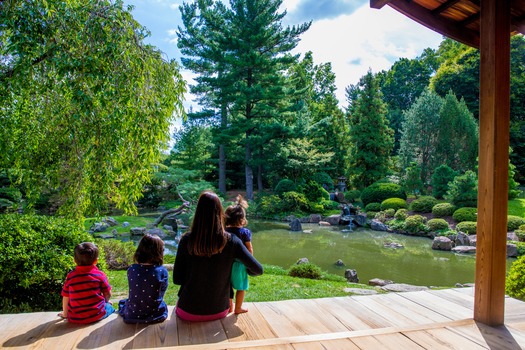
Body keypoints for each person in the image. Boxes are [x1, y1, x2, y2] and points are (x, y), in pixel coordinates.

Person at [173, 191, 263, 321]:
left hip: (187, 311)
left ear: (197, 213)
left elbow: (177, 279)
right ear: (220, 213)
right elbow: (258, 270)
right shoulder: (232, 241)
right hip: (219, 311)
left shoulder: (186, 239)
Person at [118, 234, 169, 324]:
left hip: (132, 314)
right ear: (159, 252)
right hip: (155, 314)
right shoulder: (162, 271)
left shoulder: (132, 269)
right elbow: (161, 293)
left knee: (124, 302)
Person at [59, 242, 114, 324]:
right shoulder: (99, 275)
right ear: (96, 261)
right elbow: (107, 293)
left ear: (74, 260)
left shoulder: (71, 276)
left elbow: (66, 296)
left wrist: (65, 314)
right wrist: (106, 301)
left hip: (76, 318)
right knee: (110, 307)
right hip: (97, 315)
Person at [225, 195, 253, 314]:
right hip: (240, 265)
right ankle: (238, 308)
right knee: (241, 288)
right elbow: (249, 249)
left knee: (228, 287)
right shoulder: (244, 232)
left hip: (226, 264)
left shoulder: (224, 231)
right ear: (242, 219)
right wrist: (250, 263)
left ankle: (230, 307)